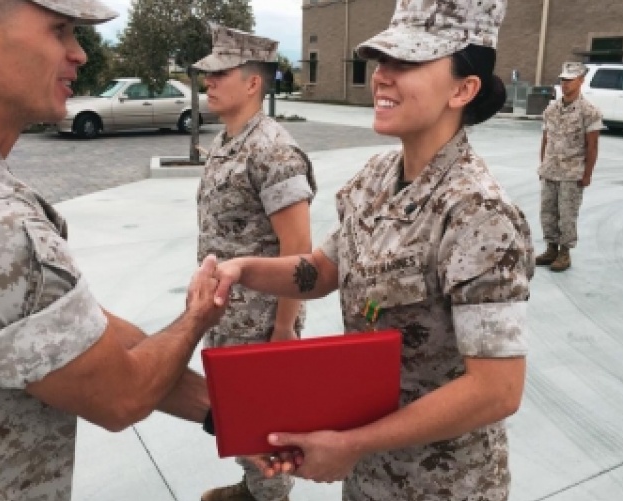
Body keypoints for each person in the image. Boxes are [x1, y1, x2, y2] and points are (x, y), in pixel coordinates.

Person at [213, 0, 534, 499]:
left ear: (463, 89)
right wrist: (241, 269)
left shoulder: (478, 213)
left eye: (406, 63)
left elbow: (497, 389)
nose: (381, 76)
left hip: (442, 484)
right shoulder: (378, 178)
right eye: (382, 60)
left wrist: (354, 443)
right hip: (369, 475)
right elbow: (322, 270)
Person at [0, 1, 227, 499]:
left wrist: (223, 411)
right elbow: (119, 394)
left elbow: (80, 332)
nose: (79, 55)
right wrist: (197, 316)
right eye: (60, 30)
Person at [192, 23, 316, 501]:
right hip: (229, 314)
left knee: (268, 425)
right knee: (238, 416)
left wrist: (283, 330)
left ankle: (269, 497)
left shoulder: (273, 151)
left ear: (253, 83)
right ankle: (251, 487)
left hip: (262, 321)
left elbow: (299, 252)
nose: (210, 81)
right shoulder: (229, 140)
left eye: (221, 73)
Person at [535, 61, 603, 272]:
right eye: (563, 80)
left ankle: (565, 252)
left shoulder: (589, 111)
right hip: (551, 170)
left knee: (567, 214)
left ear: (581, 81)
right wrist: (543, 164)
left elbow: (592, 146)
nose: (565, 84)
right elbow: (546, 139)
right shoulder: (552, 109)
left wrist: (587, 174)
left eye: (570, 80)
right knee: (547, 212)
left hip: (572, 172)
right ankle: (551, 248)